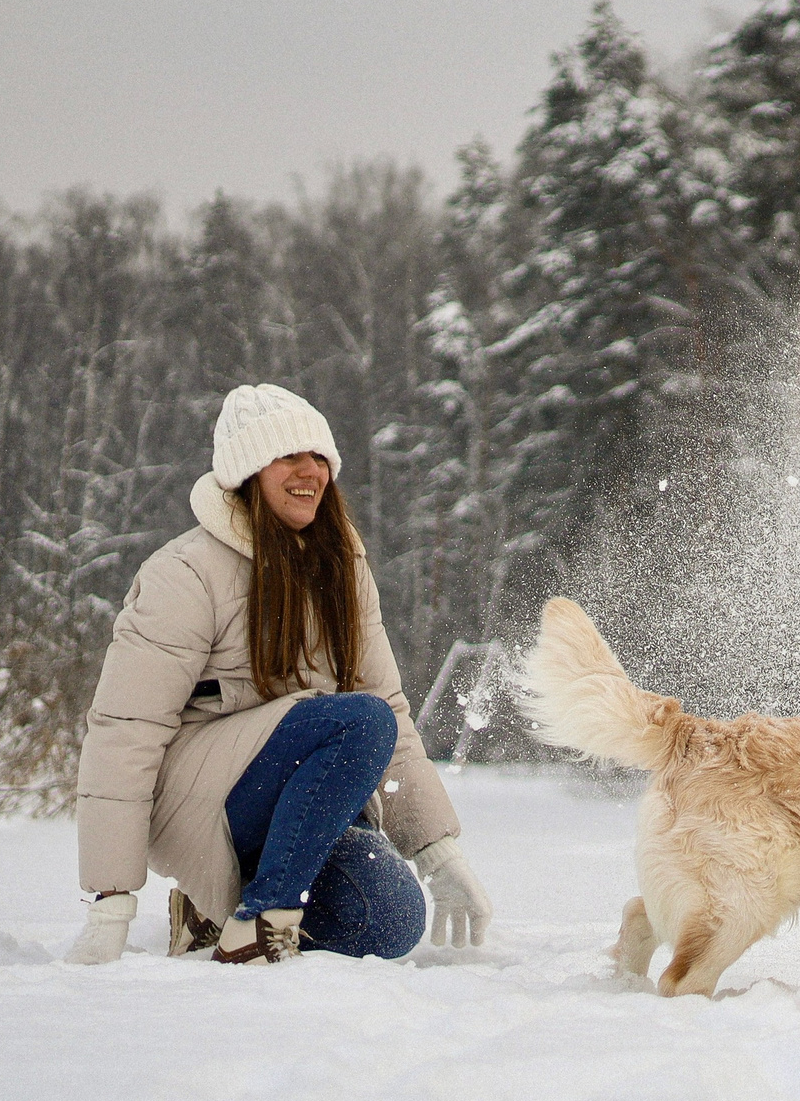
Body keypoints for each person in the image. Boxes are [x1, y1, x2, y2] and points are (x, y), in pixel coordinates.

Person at [62, 384, 493, 966]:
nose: (310, 471)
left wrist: (438, 853)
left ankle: (215, 911)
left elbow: (388, 705)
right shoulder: (186, 573)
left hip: (303, 807)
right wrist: (111, 900)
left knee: (389, 920)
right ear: (248, 472)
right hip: (204, 806)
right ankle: (261, 922)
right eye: (288, 456)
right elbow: (125, 728)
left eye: (319, 457)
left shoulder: (344, 569)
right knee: (358, 721)